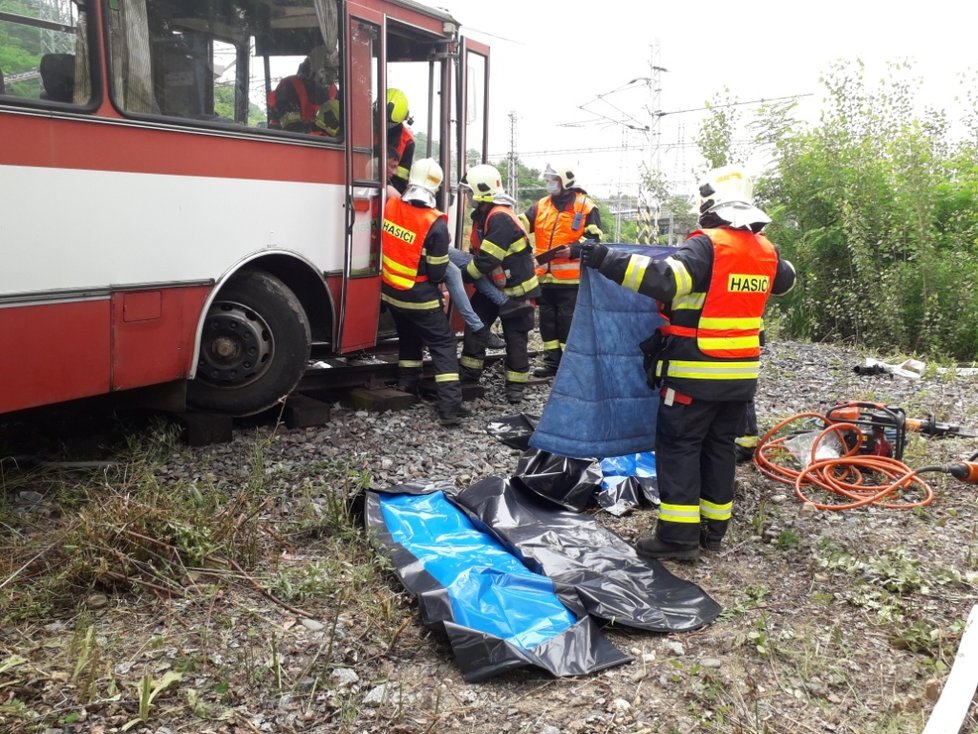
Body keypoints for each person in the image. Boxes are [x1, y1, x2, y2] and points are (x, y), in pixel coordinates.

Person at [581, 165, 796, 561]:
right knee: (719, 449)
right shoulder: (765, 249)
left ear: (710, 201)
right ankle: (713, 533)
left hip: (695, 373)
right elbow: (786, 280)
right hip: (742, 375)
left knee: (680, 448)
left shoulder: (707, 245)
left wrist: (605, 259)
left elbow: (664, 281)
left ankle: (678, 539)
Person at [380, 157, 468, 426]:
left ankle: (407, 386)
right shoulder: (436, 223)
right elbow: (438, 272)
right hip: (419, 296)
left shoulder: (392, 206)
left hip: (392, 292)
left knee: (409, 337)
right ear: (437, 187)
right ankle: (450, 408)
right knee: (443, 344)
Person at [458, 164, 541, 404]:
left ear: (480, 191)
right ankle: (470, 373)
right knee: (476, 323)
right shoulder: (485, 215)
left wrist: (466, 273)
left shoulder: (500, 217)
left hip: (517, 291)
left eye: (468, 191)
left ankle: (515, 387)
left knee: (515, 338)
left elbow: (487, 258)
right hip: (494, 286)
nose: (466, 195)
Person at [522, 161, 603, 378]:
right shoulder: (541, 205)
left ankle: (571, 367)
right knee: (547, 324)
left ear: (565, 181)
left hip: (571, 280)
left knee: (567, 323)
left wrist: (573, 250)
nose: (550, 184)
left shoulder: (585, 206)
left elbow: (595, 237)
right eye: (549, 180)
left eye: (554, 180)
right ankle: (552, 364)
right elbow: (521, 224)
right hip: (544, 278)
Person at [268, 45, 340, 135]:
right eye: (328, 71)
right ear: (315, 68)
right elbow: (291, 129)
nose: (333, 76)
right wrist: (319, 126)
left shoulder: (333, 90)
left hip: (323, 144)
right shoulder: (290, 86)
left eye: (334, 70)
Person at [385, 88, 415, 194]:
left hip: (388, 191)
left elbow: (401, 180)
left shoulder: (407, 141)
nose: (384, 125)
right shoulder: (366, 125)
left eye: (389, 123)